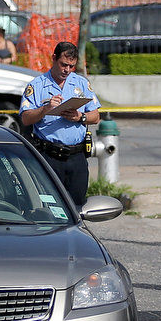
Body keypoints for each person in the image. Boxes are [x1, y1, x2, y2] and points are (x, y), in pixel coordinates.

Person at [19, 41, 100, 207]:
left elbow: (96, 116)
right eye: (64, 65)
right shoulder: (37, 85)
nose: (67, 70)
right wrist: (45, 109)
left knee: (77, 206)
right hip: (49, 156)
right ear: (54, 58)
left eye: (71, 66)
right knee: (51, 207)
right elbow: (26, 118)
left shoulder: (81, 83)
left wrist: (80, 117)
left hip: (76, 156)